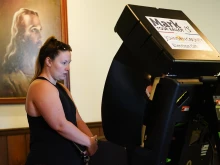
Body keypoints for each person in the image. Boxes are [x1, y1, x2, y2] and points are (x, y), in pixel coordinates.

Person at [25, 36, 98, 165]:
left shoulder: (62, 88)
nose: (68, 68)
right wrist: (88, 141)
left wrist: (92, 141)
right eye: (64, 63)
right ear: (49, 61)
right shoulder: (39, 86)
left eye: (69, 63)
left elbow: (78, 120)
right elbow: (60, 125)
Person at [0, 8, 42, 97]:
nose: (40, 36)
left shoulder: (44, 71)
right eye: (34, 30)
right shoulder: (10, 80)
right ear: (20, 36)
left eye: (39, 30)